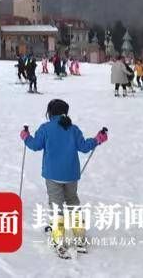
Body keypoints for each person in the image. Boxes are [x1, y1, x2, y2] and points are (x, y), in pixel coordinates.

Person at [21, 99, 107, 256]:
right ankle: (79, 237)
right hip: (71, 174)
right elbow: (84, 146)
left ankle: (58, 238)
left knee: (56, 206)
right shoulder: (73, 129)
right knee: (73, 202)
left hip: (53, 175)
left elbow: (35, 145)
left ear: (50, 113)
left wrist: (26, 136)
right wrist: (97, 139)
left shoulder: (45, 128)